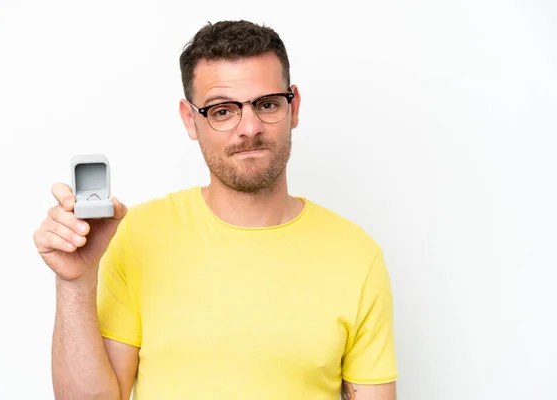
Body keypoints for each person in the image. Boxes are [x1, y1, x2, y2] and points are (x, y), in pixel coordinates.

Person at [33, 20, 398, 400]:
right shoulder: (137, 235)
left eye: (267, 104)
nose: (249, 128)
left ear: (295, 107)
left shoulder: (356, 255)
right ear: (191, 120)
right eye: (223, 111)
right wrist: (74, 284)